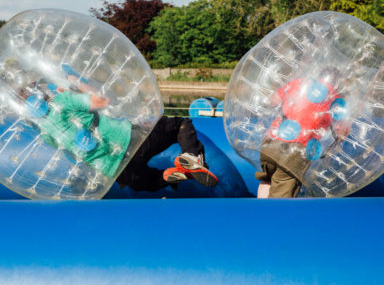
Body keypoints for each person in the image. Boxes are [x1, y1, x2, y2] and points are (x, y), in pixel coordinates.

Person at [18, 76, 218, 193]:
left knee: (147, 182)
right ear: (41, 95)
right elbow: (102, 101)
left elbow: (72, 154)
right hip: (130, 141)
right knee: (178, 123)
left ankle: (170, 176)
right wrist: (78, 84)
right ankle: (193, 158)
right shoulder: (63, 101)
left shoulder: (45, 133)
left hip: (113, 170)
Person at [255, 67, 350, 198]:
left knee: (269, 179)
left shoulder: (299, 83)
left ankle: (259, 213)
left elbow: (273, 101)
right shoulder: (336, 100)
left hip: (270, 143)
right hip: (296, 150)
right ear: (338, 83)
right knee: (282, 189)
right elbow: (341, 132)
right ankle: (274, 218)